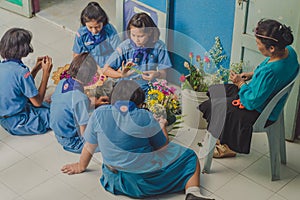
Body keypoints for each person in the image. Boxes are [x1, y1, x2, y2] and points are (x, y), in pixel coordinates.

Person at [61, 80, 214, 200]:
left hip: (112, 180)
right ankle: (193, 192)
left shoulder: (99, 114)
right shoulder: (144, 116)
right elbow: (162, 147)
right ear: (140, 104)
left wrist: (81, 166)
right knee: (189, 156)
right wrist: (161, 126)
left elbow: (89, 145)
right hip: (142, 183)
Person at [199, 19, 299, 155]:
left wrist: (240, 83)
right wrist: (252, 74)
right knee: (216, 91)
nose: (257, 46)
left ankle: (226, 146)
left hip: (260, 110)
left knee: (216, 106)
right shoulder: (289, 51)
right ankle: (224, 136)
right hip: (265, 97)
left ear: (271, 48)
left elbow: (252, 102)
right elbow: (268, 72)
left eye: (258, 43)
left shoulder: (270, 72)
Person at [50, 53, 108, 154]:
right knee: (110, 138)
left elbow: (71, 104)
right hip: (73, 141)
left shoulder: (63, 82)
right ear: (90, 78)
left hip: (59, 133)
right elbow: (84, 134)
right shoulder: (80, 98)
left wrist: (95, 102)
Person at [0, 28, 53, 136]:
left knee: (48, 105)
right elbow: (37, 103)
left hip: (5, 119)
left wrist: (35, 70)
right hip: (20, 122)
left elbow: (21, 85)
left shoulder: (4, 66)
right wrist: (46, 74)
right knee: (60, 115)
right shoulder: (21, 72)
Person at [103, 12, 172, 92]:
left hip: (148, 88)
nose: (136, 40)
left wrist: (157, 74)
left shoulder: (159, 46)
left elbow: (164, 73)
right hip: (127, 88)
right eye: (133, 35)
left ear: (150, 32)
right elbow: (105, 69)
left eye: (140, 36)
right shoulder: (125, 47)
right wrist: (121, 75)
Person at [73, 1, 121, 70]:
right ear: (84, 23)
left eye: (97, 27)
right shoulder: (81, 34)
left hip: (109, 61)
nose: (94, 31)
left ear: (103, 22)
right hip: (91, 62)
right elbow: (77, 54)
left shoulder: (110, 31)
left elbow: (118, 50)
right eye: (90, 27)